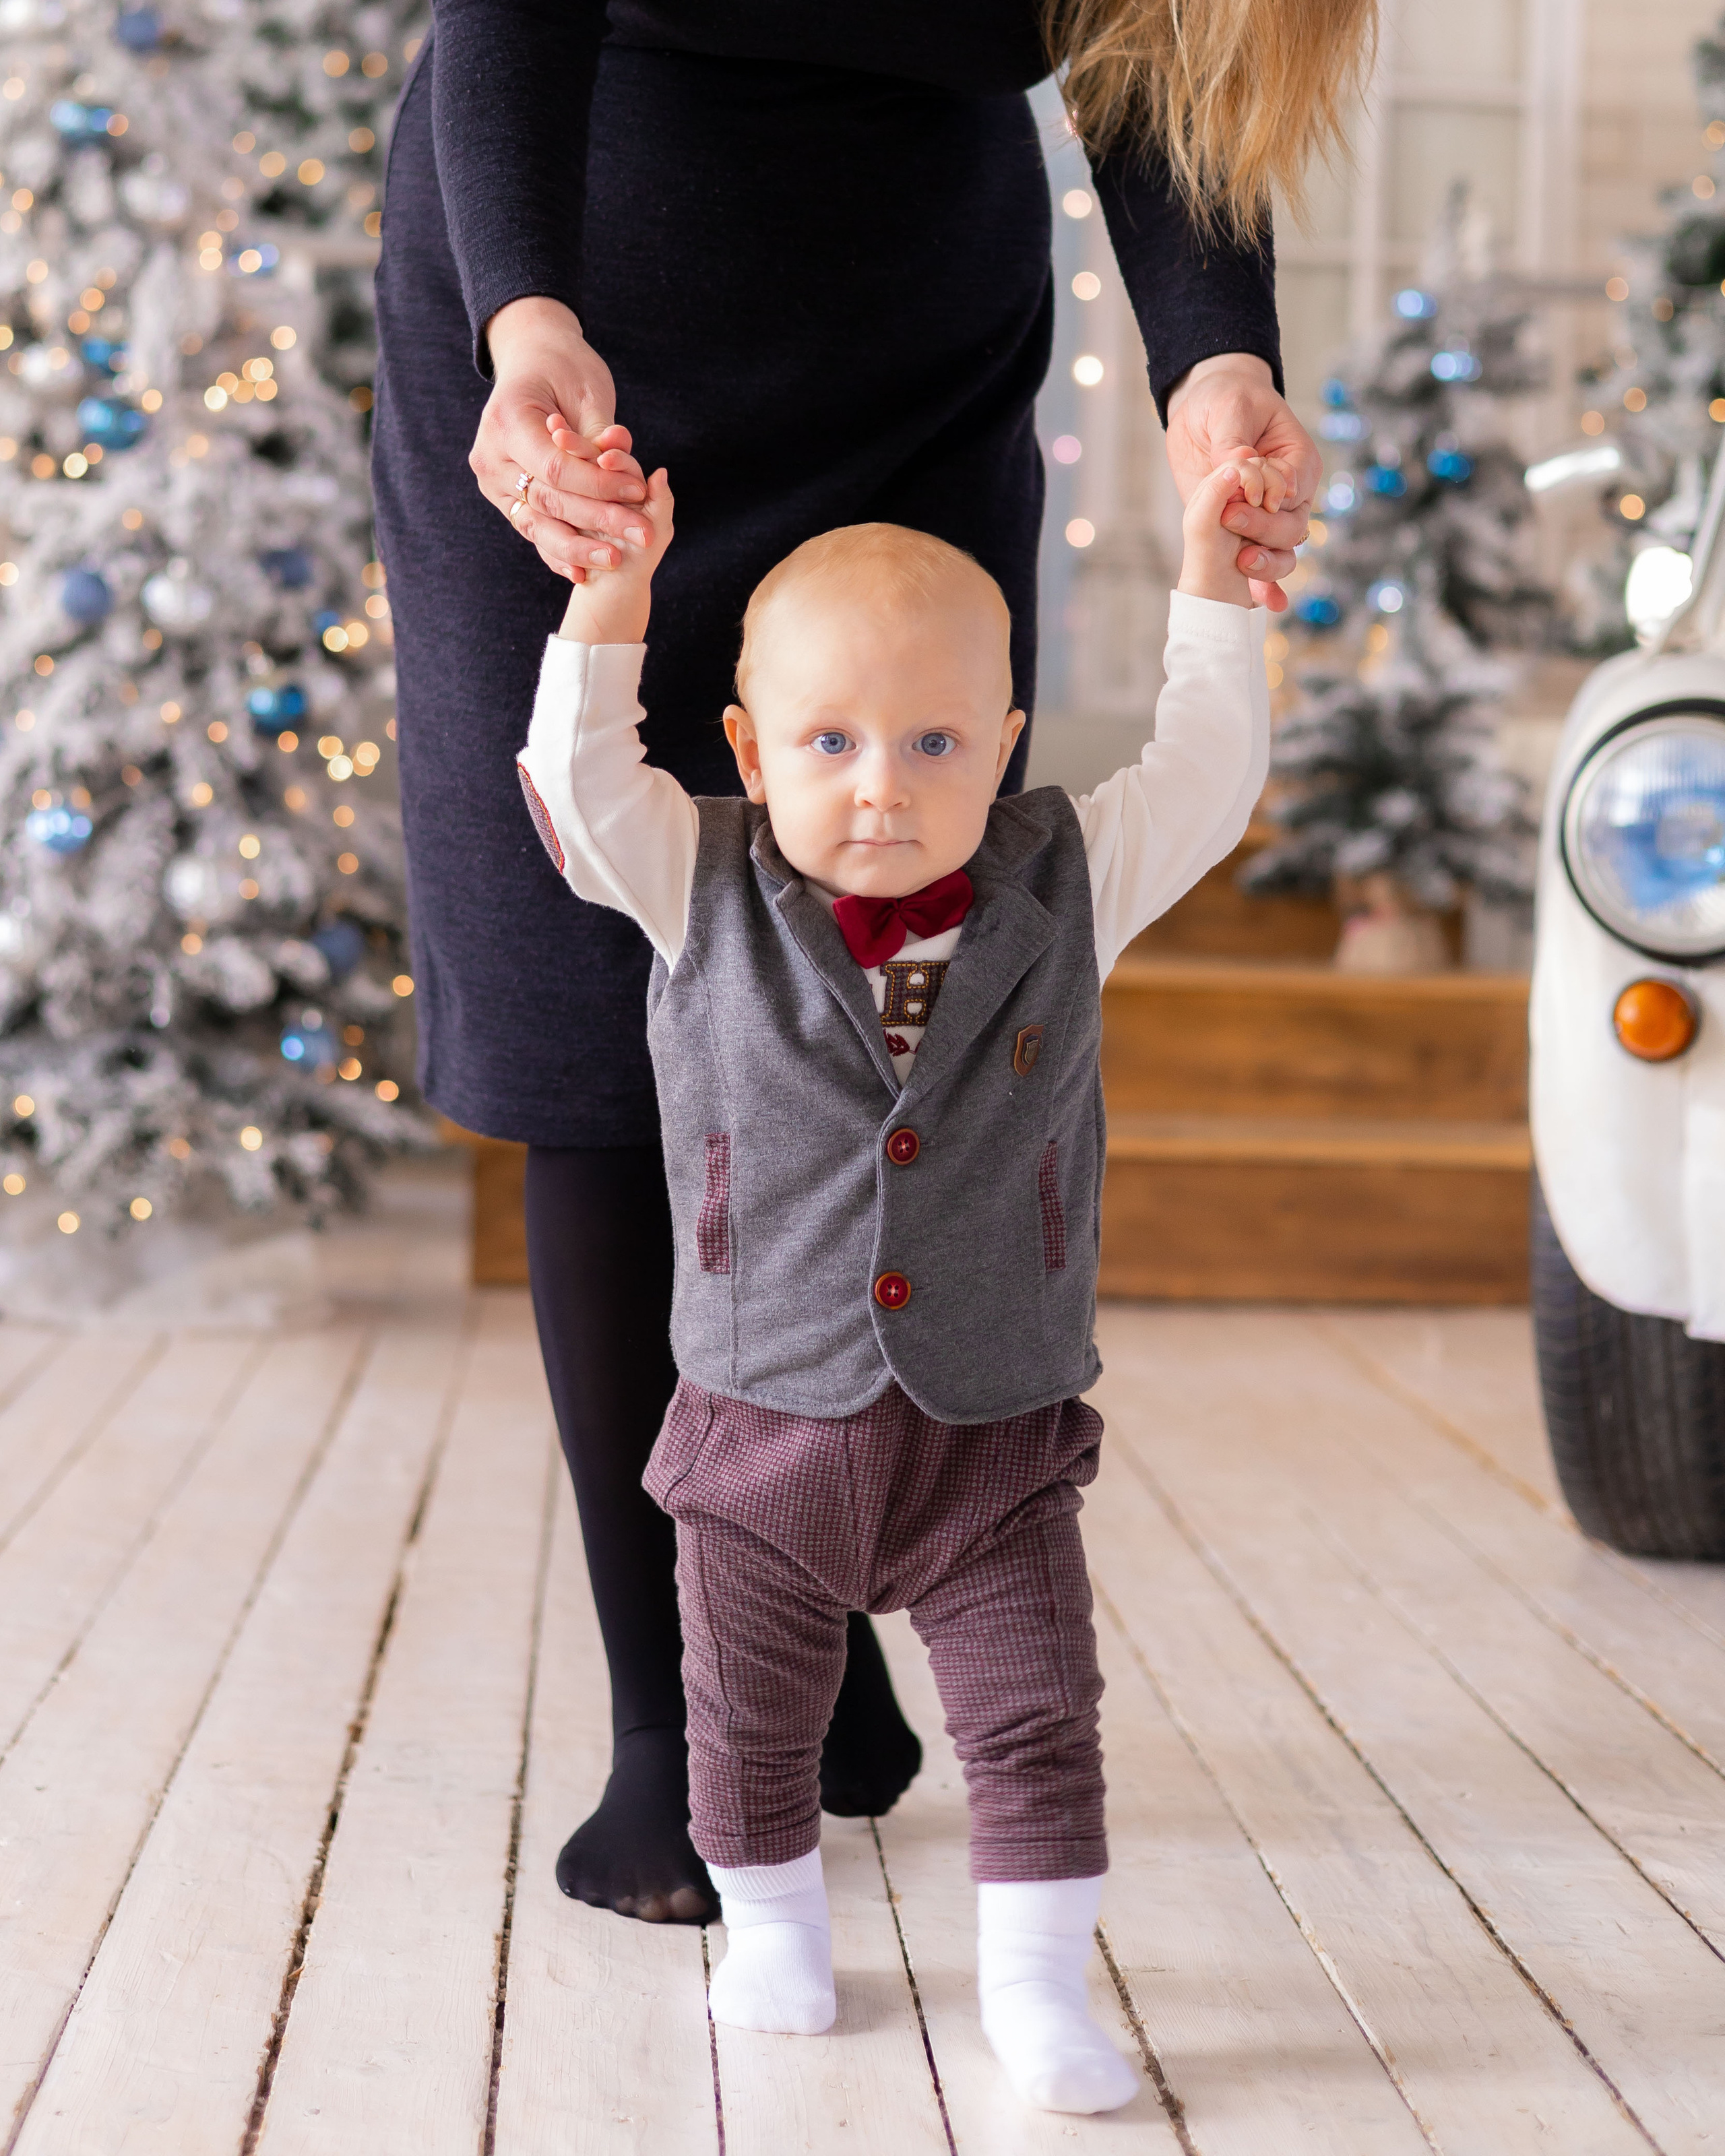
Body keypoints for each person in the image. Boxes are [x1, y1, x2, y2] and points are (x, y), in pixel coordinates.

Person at [373, 0, 1372, 1928]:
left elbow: (1179, 64)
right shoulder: (542, 320)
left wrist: (1218, 360)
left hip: (911, 328)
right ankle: (674, 1722)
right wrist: (526, 317)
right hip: (560, 310)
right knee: (601, 981)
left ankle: (807, 1626)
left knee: (893, 946)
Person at [512, 441, 1269, 2110]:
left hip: (991, 1437)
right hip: (760, 1425)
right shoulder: (688, 874)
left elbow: (1205, 774)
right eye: (831, 742)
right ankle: (773, 1936)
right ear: (748, 749)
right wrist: (609, 607)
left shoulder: (1065, 881)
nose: (882, 785)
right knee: (747, 1724)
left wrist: (1212, 589)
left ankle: (1036, 1990)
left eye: (935, 742)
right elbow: (569, 784)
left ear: (1003, 745)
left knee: (1031, 1720)